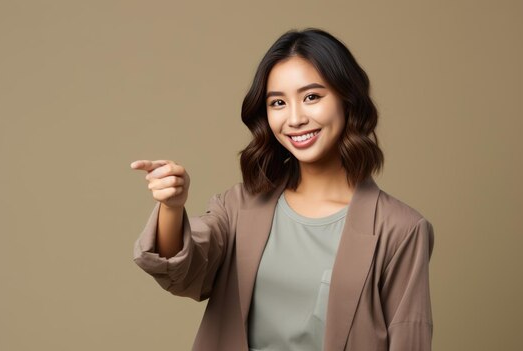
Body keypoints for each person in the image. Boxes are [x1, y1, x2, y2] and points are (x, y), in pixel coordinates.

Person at [130, 27, 435, 351]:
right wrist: (173, 207)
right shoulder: (238, 206)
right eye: (278, 102)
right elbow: (182, 269)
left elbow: (409, 340)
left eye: (312, 97)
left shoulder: (400, 229)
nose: (295, 118)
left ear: (347, 100)